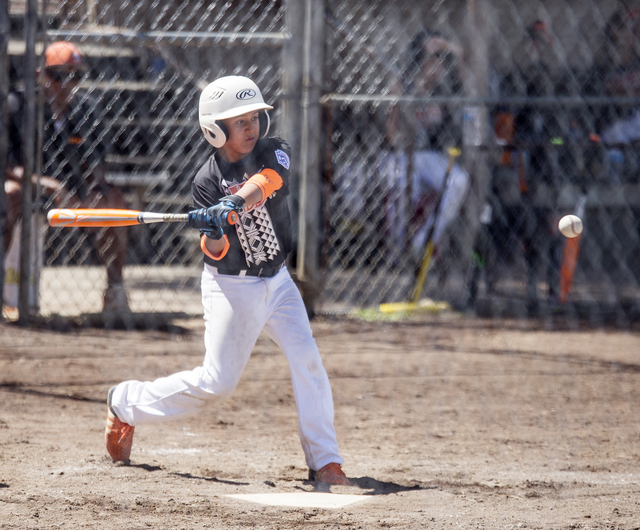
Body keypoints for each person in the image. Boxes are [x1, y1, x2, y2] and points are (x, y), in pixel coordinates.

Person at [104, 75, 350, 486]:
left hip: (279, 282)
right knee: (216, 383)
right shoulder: (205, 181)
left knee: (307, 358)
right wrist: (213, 228)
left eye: (254, 117)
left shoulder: (274, 150)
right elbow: (214, 252)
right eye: (240, 122)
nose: (251, 127)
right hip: (233, 288)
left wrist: (234, 202)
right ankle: (125, 403)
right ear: (215, 130)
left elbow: (269, 181)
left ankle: (326, 461)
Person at [38, 41, 129, 311]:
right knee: (10, 195)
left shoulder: (87, 109)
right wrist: (52, 188)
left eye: (75, 76)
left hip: (76, 189)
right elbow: (11, 165)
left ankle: (115, 289)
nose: (67, 84)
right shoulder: (25, 106)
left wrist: (94, 192)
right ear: (41, 75)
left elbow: (96, 162)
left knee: (114, 203)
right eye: (58, 75)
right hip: (37, 186)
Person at [383, 30, 470, 266]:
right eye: (431, 59)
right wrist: (399, 108)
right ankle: (397, 250)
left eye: (441, 60)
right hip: (400, 154)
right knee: (401, 183)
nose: (438, 66)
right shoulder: (402, 87)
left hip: (431, 157)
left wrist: (447, 46)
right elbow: (390, 137)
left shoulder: (445, 90)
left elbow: (469, 60)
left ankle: (423, 242)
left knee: (459, 181)